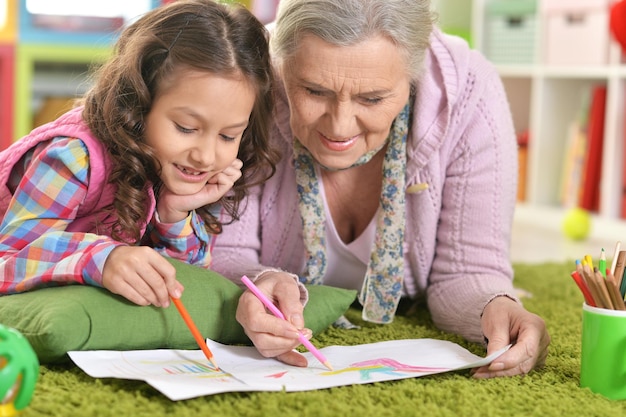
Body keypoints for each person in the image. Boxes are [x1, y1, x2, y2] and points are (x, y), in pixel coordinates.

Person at [211, 0, 550, 378]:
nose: (339, 127)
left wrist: (496, 307)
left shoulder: (471, 92)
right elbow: (224, 252)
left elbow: (467, 270)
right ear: (280, 65)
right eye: (313, 91)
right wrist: (258, 285)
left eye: (372, 98)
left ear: (413, 76)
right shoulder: (244, 77)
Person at [0, 0, 277, 309]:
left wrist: (174, 214)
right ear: (138, 104)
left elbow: (184, 282)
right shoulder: (73, 158)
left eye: (228, 135)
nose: (206, 156)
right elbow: (6, 260)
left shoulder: (180, 169)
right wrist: (104, 258)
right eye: (186, 127)